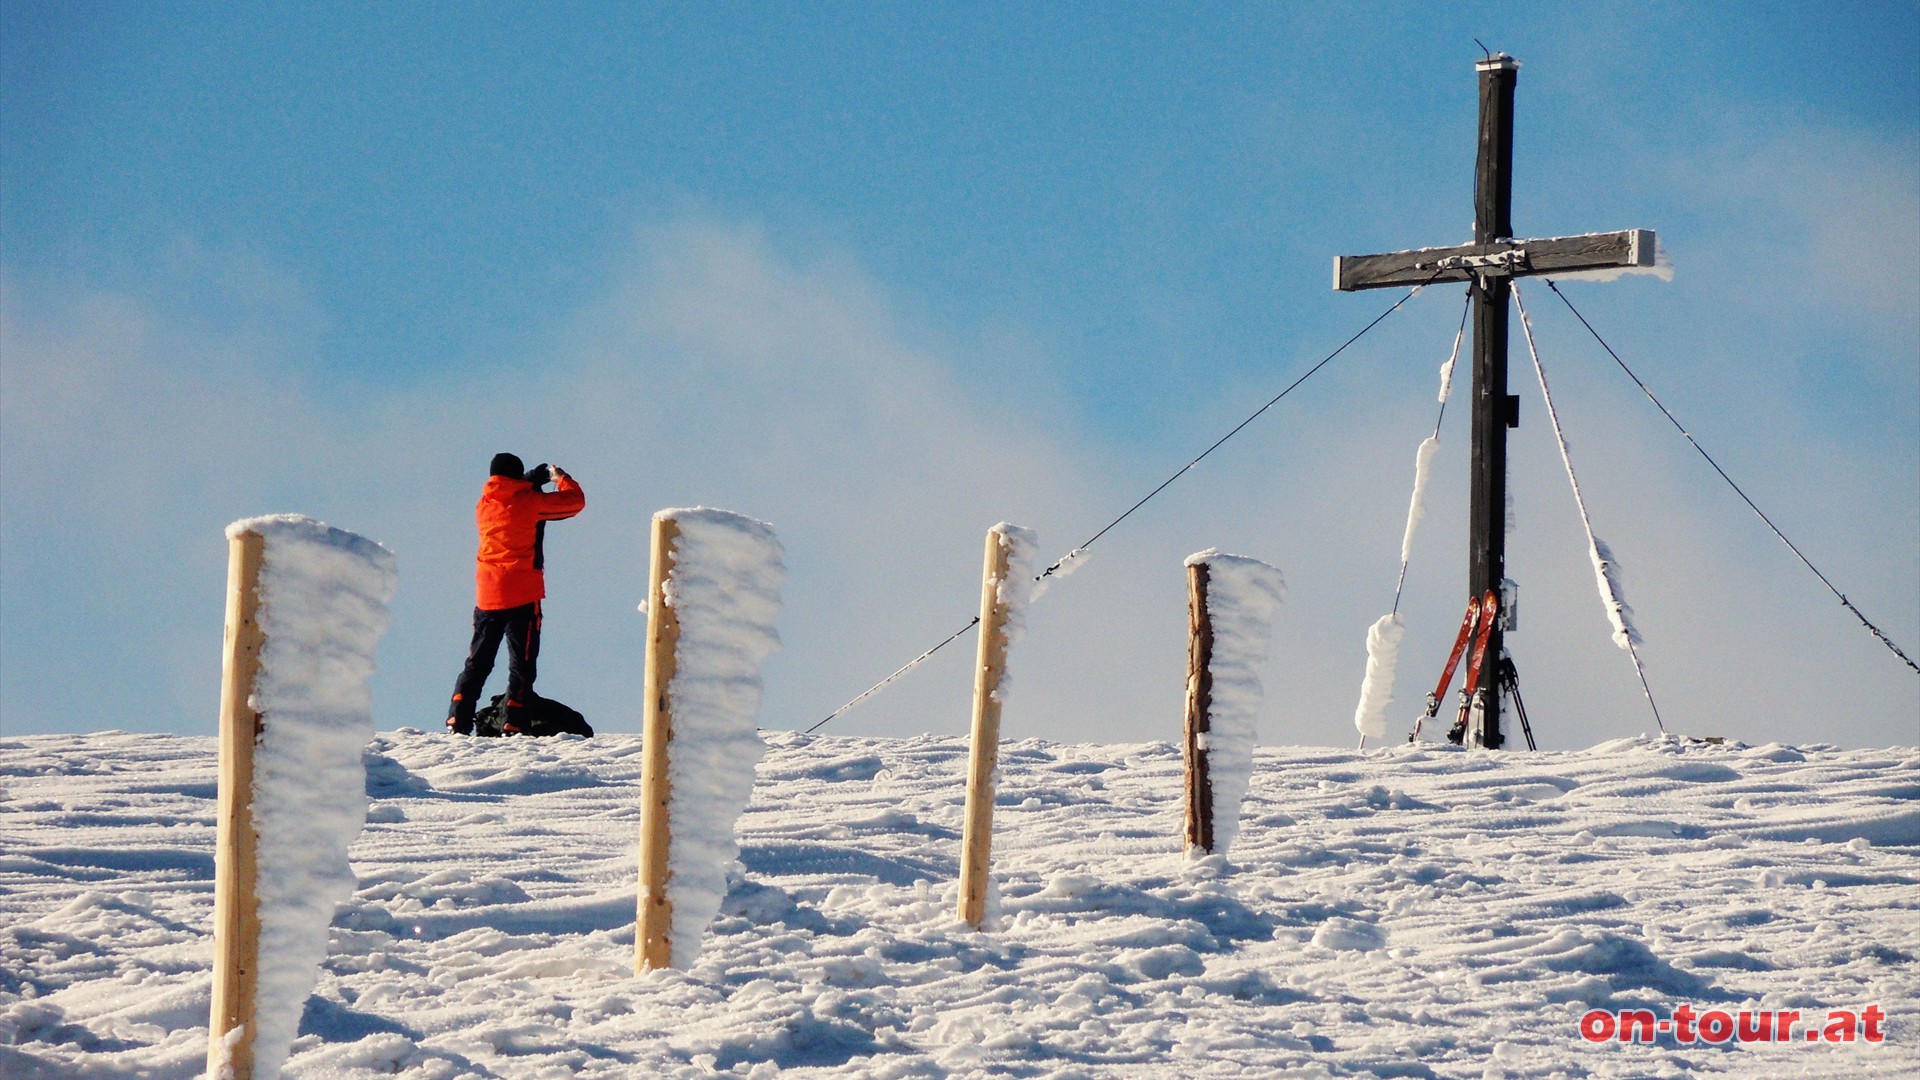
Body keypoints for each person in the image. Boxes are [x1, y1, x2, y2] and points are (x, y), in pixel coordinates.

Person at [447, 452, 585, 735]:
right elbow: (574, 503)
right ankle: (514, 720)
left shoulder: (484, 505)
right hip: (522, 593)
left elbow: (509, 490)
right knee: (521, 664)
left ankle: (457, 716)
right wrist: (560, 478)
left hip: (487, 595)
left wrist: (531, 479)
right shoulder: (530, 504)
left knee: (477, 662)